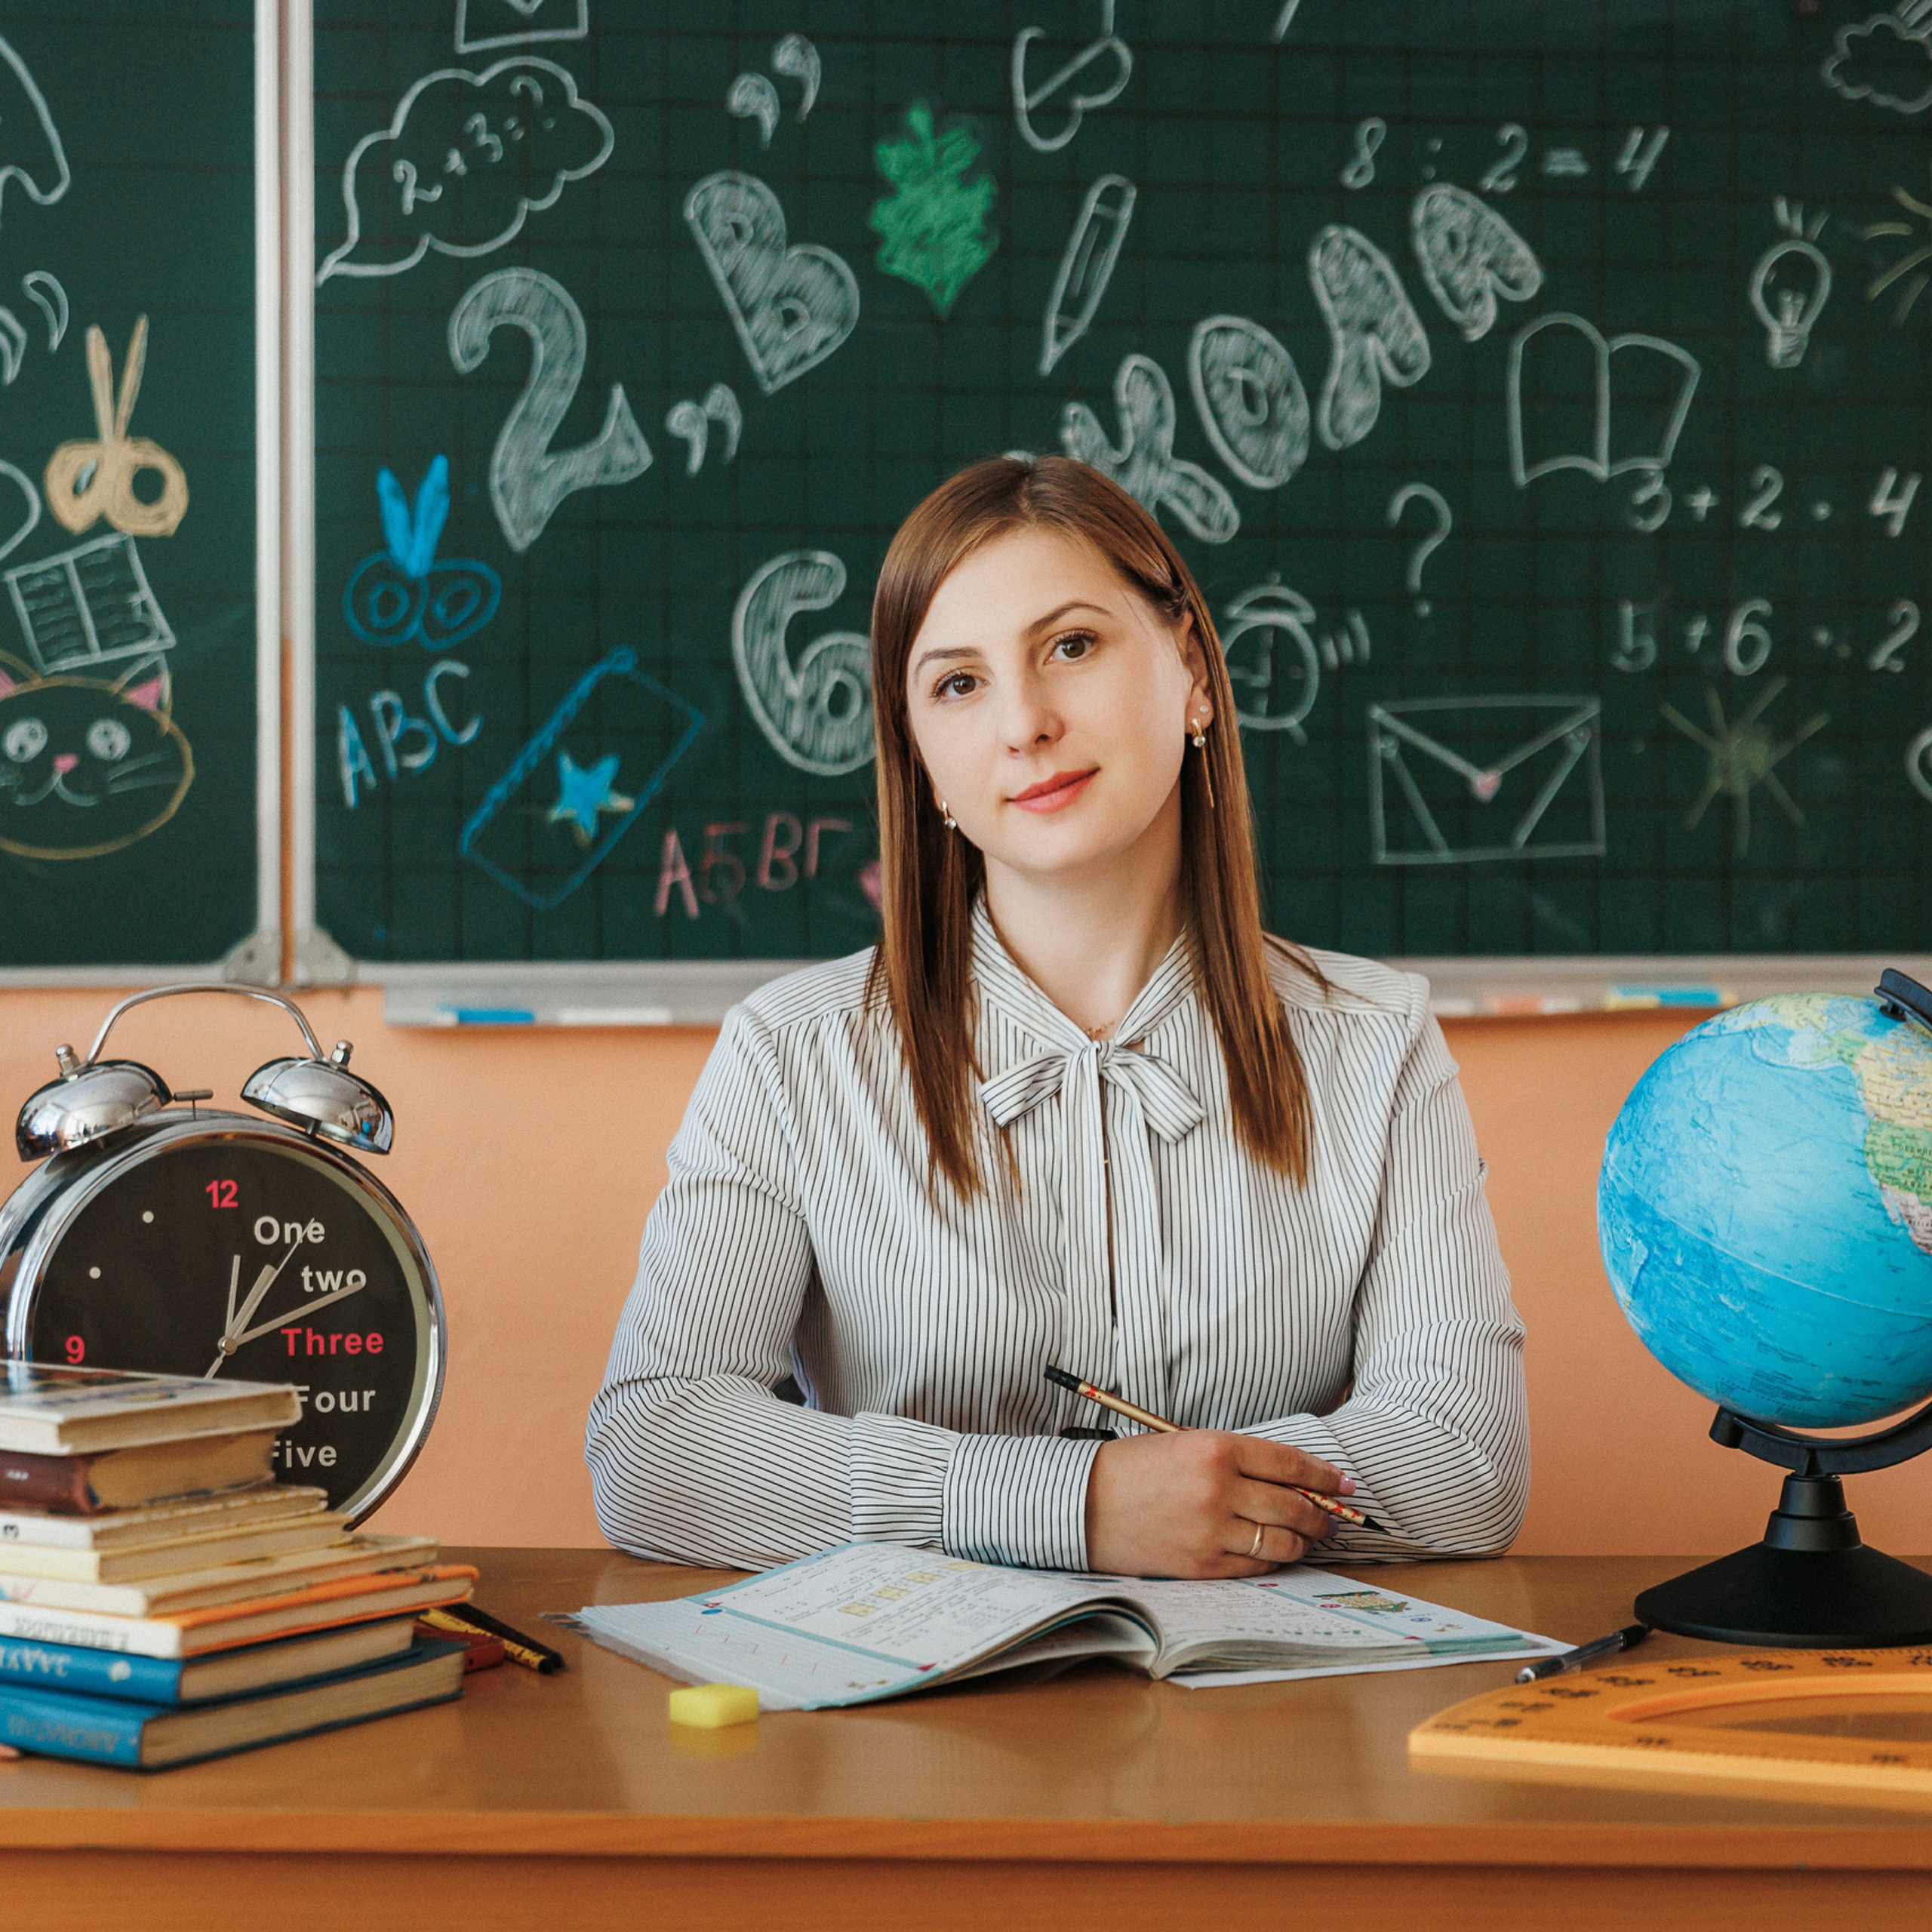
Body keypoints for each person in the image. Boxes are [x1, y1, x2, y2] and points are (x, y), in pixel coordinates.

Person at [586, 456, 1527, 1579]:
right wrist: (1074, 1502)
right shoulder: (793, 1055)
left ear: (1191, 672)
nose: (1025, 722)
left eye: (1070, 647)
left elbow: (1467, 1460)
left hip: (1264, 1732)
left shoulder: (1378, 1044)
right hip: (916, 1727)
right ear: (924, 762)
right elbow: (653, 1449)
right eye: (957, 684)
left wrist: (1204, 1502)